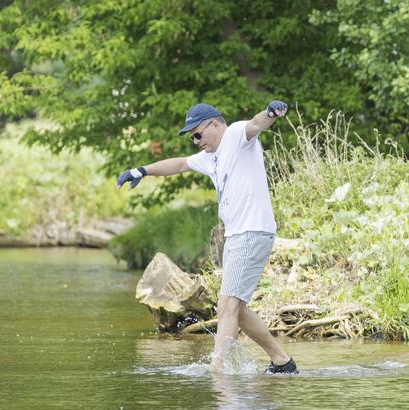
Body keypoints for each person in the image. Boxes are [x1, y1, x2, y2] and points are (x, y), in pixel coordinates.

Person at [117, 100, 298, 375]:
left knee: (227, 303)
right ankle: (282, 362)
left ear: (214, 125)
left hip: (252, 231)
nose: (195, 141)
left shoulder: (236, 135)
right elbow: (177, 164)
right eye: (191, 138)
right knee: (236, 306)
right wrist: (141, 170)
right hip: (237, 236)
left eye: (197, 135)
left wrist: (272, 112)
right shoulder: (210, 156)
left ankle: (218, 369)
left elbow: (256, 124)